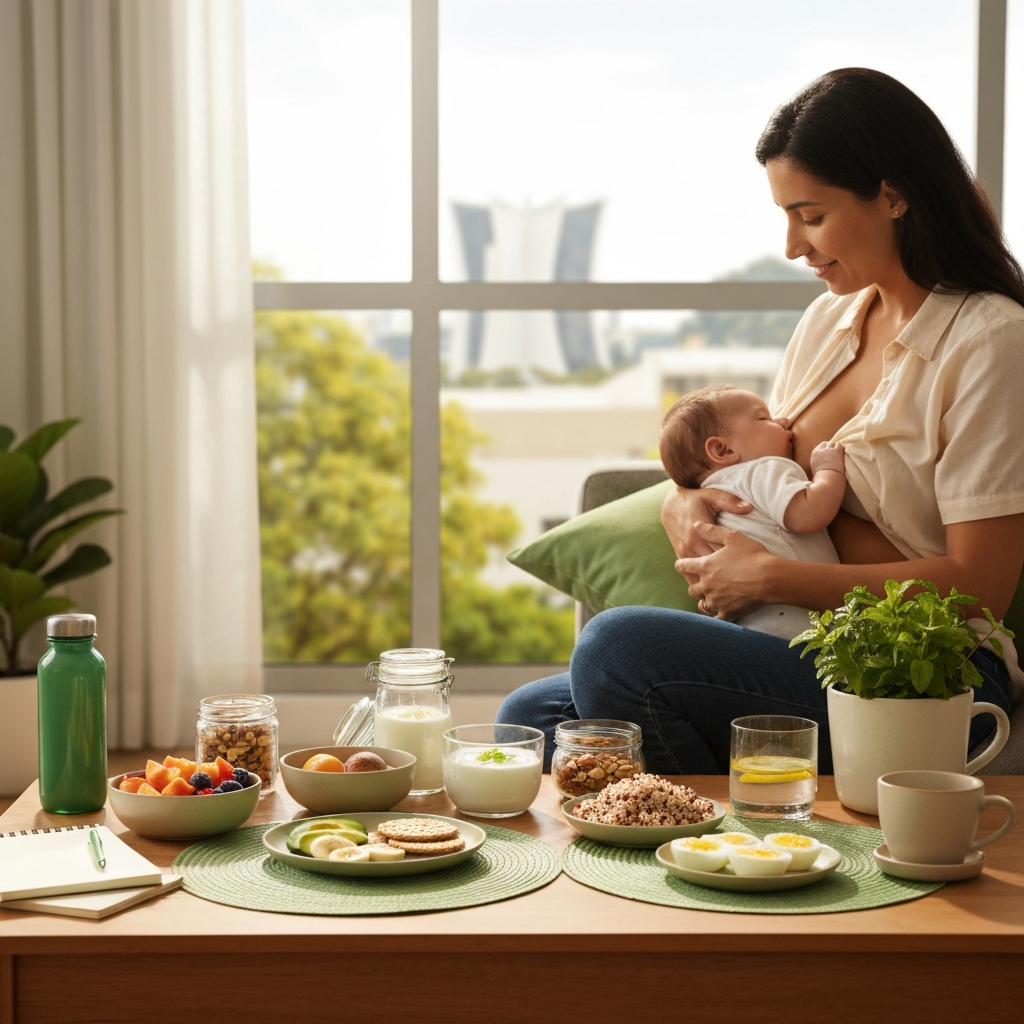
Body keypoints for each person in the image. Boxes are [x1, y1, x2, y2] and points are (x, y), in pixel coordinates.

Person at [497, 68, 1024, 774]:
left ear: (893, 195)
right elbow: (748, 455)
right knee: (529, 717)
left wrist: (773, 578)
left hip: (923, 666)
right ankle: (740, 822)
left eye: (811, 216)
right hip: (799, 641)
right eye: (786, 216)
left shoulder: (990, 340)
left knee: (615, 650)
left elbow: (979, 585)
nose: (792, 246)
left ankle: (716, 825)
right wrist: (684, 501)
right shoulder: (828, 321)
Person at [658, 385, 844, 639]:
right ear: (723, 450)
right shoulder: (762, 470)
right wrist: (828, 471)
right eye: (764, 418)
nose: (783, 421)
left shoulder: (713, 491)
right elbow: (809, 515)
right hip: (797, 631)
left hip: (747, 627)